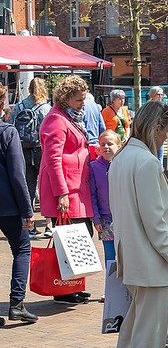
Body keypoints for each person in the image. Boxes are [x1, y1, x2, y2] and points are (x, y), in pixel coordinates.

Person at [103, 100, 168, 348]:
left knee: (136, 319)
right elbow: (154, 221)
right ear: (155, 128)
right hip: (149, 256)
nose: (166, 138)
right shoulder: (146, 162)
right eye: (165, 131)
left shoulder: (122, 158)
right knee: (150, 325)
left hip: (130, 252)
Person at [38, 75, 94, 304]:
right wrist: (62, 193)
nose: (83, 103)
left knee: (81, 237)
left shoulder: (67, 117)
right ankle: (64, 289)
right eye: (80, 99)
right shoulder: (57, 120)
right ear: (68, 98)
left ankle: (73, 285)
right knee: (72, 239)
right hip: (67, 191)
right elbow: (53, 159)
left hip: (76, 189)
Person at [0, 83, 37, 325]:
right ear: (3, 104)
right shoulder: (7, 132)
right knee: (22, 249)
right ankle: (17, 303)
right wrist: (27, 210)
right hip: (7, 204)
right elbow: (17, 174)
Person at [9, 77, 51, 235]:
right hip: (41, 150)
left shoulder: (19, 106)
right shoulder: (45, 108)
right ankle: (49, 225)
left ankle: (30, 224)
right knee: (46, 187)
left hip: (23, 150)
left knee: (28, 187)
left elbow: (10, 125)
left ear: (29, 89)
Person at [89, 130, 122, 267]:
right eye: (102, 144)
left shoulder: (124, 164)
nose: (106, 147)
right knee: (110, 257)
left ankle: (127, 286)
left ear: (119, 146)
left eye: (110, 143)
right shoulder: (94, 167)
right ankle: (112, 287)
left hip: (124, 218)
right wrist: (96, 218)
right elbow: (92, 194)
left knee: (126, 254)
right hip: (105, 219)